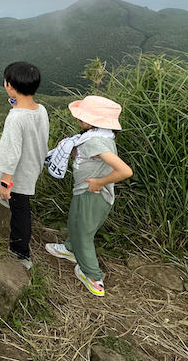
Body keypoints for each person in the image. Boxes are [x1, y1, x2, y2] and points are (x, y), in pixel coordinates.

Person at [45, 95, 133, 297]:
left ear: (90, 121)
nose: (77, 119)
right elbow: (90, 159)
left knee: (83, 233)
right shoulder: (100, 137)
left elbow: (125, 171)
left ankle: (92, 275)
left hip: (92, 195)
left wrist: (99, 182)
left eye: (80, 116)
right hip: (86, 194)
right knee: (75, 224)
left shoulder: (96, 142)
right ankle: (70, 249)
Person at [0, 61, 50, 270]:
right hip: (34, 162)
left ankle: (21, 254)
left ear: (10, 86)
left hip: (19, 174)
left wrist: (6, 184)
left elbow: (11, 152)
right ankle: (10, 198)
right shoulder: (40, 110)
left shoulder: (15, 119)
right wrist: (16, 104)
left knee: (20, 213)